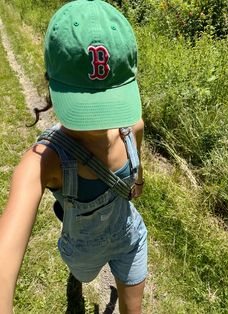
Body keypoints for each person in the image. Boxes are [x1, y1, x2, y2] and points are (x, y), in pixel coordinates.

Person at [0, 0, 147, 313]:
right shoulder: (42, 162)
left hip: (131, 238)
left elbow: (138, 158)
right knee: (82, 273)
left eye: (109, 103)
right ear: (50, 84)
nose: (102, 122)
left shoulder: (133, 125)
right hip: (83, 252)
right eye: (87, 108)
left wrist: (139, 178)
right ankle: (77, 280)